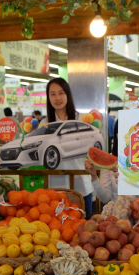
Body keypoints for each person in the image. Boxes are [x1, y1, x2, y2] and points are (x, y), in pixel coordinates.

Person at [43, 77, 95, 218]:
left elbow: (94, 150)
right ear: (48, 97)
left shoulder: (82, 120)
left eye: (61, 93)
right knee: (59, 229)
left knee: (84, 229)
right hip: (55, 187)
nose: (57, 98)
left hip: (81, 184)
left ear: (67, 95)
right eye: (53, 94)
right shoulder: (44, 125)